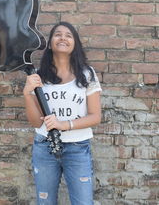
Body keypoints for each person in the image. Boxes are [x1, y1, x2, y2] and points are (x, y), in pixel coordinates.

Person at [23, 21, 102, 205]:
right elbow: (36, 122)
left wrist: (63, 125)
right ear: (50, 42)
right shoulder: (39, 76)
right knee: (45, 202)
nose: (63, 38)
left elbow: (95, 116)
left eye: (68, 35)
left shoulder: (87, 74)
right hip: (44, 146)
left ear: (75, 43)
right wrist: (27, 93)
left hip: (77, 148)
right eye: (58, 34)